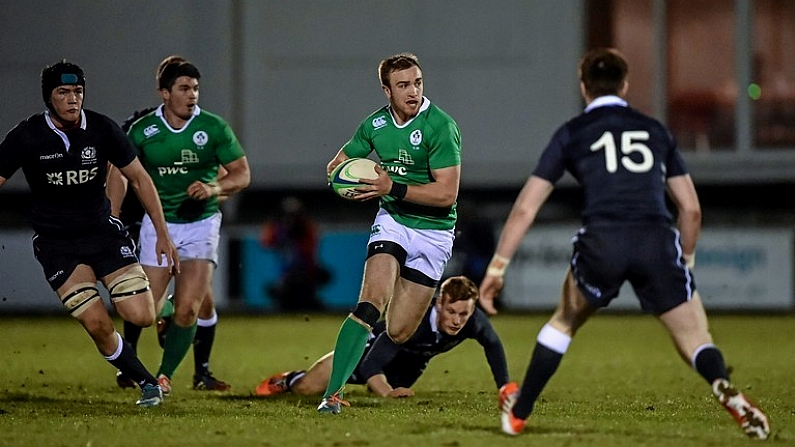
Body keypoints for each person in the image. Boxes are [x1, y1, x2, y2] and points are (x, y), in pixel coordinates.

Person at [479, 48, 770, 440]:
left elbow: (526, 208)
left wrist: (497, 268)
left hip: (604, 242)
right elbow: (691, 209)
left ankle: (520, 412)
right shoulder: (654, 130)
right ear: (625, 84)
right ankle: (721, 384)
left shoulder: (572, 133)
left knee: (564, 322)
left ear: (584, 88)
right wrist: (685, 257)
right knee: (696, 338)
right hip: (656, 240)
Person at [0, 60, 179, 407]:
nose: (72, 99)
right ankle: (146, 382)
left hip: (102, 235)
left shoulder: (102, 129)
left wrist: (162, 234)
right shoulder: (28, 136)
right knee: (96, 323)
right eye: (63, 92)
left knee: (142, 315)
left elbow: (141, 179)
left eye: (77, 91)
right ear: (49, 98)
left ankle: (152, 309)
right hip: (57, 245)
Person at [319, 52, 461, 414]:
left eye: (417, 82)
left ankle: (357, 348)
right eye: (403, 85)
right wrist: (347, 182)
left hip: (434, 233)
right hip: (394, 222)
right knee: (370, 301)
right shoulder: (374, 126)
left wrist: (389, 186)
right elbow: (336, 166)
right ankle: (331, 395)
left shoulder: (440, 126)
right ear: (386, 90)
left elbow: (447, 194)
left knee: (398, 330)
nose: (413, 91)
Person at [125, 56, 250, 396]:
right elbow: (121, 173)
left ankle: (163, 377)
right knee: (143, 314)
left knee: (190, 307)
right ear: (164, 93)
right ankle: (162, 312)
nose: (192, 94)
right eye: (184, 88)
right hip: (158, 225)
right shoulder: (142, 131)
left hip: (201, 224)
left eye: (195, 88)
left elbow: (242, 173)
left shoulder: (213, 127)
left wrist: (213, 188)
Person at [109, 102, 231, 392]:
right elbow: (117, 170)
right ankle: (133, 360)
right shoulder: (139, 129)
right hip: (147, 221)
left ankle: (200, 372)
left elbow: (227, 179)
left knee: (200, 302)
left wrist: (208, 194)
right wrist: (112, 216)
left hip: (193, 225)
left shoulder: (200, 135)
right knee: (143, 300)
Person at [256, 276, 513, 399]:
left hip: (408, 364)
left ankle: (378, 386)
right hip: (369, 350)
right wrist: (387, 393)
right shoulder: (414, 321)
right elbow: (371, 364)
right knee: (308, 389)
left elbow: (493, 344)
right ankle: (290, 379)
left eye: (464, 314)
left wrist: (504, 386)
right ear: (438, 304)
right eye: (452, 312)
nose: (458, 320)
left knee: (386, 387)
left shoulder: (473, 322)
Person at [260, 196, 329, 312]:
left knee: (306, 294)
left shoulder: (306, 228)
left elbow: (310, 246)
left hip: (305, 272)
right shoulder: (277, 229)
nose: (290, 220)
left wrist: (297, 232)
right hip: (285, 274)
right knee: (281, 293)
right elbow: (266, 242)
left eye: (294, 216)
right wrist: (281, 231)